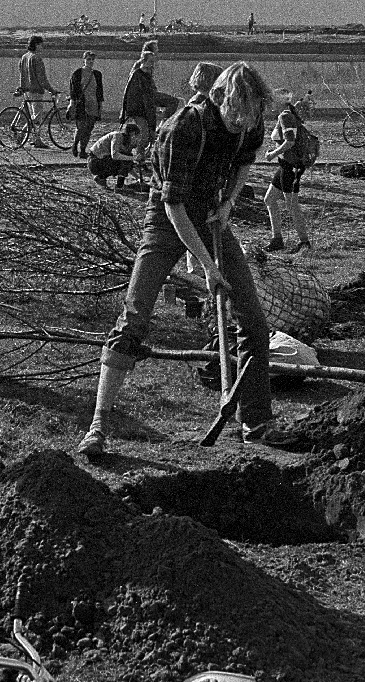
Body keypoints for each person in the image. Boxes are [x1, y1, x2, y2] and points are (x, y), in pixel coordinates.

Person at [77, 62, 277, 459]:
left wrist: (229, 202)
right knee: (134, 318)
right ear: (217, 98)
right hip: (168, 219)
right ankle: (98, 424)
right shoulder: (183, 127)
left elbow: (245, 160)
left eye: (248, 116)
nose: (241, 124)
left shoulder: (249, 118)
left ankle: (256, 422)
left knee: (253, 321)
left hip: (210, 215)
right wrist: (208, 267)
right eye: (235, 115)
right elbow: (174, 208)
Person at [263, 90, 313, 254]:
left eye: (273, 100)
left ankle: (304, 242)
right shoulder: (289, 113)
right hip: (286, 165)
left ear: (281, 101)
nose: (271, 103)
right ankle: (277, 239)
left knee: (292, 205)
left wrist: (272, 154)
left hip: (291, 166)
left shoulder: (285, 116)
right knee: (269, 199)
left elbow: (290, 141)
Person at [17, 35, 56, 148]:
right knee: (37, 117)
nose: (42, 47)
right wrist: (51, 90)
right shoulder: (37, 58)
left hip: (27, 90)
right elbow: (42, 79)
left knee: (33, 116)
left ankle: (36, 138)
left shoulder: (24, 57)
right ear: (36, 45)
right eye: (41, 44)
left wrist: (21, 87)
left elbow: (22, 75)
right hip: (36, 90)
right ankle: (23, 135)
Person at [120, 42, 160, 151]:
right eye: (156, 49)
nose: (158, 51)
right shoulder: (139, 69)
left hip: (143, 103)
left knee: (145, 133)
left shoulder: (148, 68)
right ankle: (138, 157)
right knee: (143, 134)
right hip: (138, 105)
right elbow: (133, 87)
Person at [68, 50, 103, 158]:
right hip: (81, 104)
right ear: (84, 60)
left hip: (93, 104)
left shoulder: (97, 74)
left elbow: (100, 91)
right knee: (81, 127)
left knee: (89, 129)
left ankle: (83, 149)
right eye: (88, 59)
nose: (91, 61)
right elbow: (73, 90)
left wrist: (100, 105)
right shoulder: (77, 73)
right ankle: (75, 144)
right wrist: (72, 104)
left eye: (92, 59)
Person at [88, 121, 139, 188]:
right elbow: (115, 155)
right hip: (95, 162)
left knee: (127, 157)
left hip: (101, 161)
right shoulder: (117, 136)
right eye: (135, 135)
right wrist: (134, 158)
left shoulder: (124, 141)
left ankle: (102, 178)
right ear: (131, 133)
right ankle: (103, 178)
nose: (135, 138)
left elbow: (128, 165)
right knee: (126, 158)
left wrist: (138, 178)